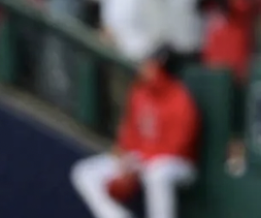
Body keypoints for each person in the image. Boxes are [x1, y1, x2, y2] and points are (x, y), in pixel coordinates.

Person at [70, 46, 200, 218]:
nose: (145, 68)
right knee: (84, 172)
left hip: (177, 163)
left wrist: (140, 162)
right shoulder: (139, 92)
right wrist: (125, 157)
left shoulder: (180, 98)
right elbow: (129, 133)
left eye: (151, 65)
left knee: (157, 173)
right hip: (141, 159)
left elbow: (179, 146)